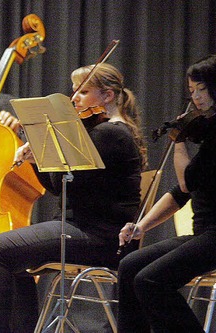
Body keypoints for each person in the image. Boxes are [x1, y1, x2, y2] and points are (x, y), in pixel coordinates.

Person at [0, 63, 147, 333]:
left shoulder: (110, 133)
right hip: (84, 230)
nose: (74, 99)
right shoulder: (99, 132)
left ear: (107, 96)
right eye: (73, 91)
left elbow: (64, 182)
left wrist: (45, 147)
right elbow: (59, 187)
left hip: (98, 236)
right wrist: (39, 159)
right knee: (11, 260)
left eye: (83, 92)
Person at [117, 54, 216, 333]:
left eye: (202, 89)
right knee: (130, 266)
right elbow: (181, 194)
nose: (196, 97)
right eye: (191, 91)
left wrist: (179, 142)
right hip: (203, 234)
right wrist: (141, 226)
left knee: (150, 281)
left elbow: (186, 182)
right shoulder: (208, 129)